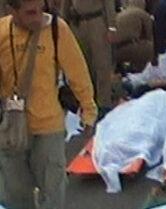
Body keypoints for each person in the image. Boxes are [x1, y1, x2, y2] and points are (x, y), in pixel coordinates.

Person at [0, 0, 97, 208]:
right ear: (11, 11)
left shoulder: (56, 29)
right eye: (30, 13)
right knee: (15, 196)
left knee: (53, 192)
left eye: (40, 10)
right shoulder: (2, 32)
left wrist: (88, 111)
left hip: (48, 127)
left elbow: (78, 73)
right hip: (11, 130)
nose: (37, 17)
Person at [61, 0, 116, 112]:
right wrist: (63, 24)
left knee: (102, 64)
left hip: (97, 22)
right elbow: (65, 4)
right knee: (82, 65)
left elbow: (108, 3)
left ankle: (103, 103)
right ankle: (87, 103)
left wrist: (112, 26)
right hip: (78, 24)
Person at [113, 0, 153, 72]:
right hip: (119, 50)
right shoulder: (144, 15)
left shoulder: (120, 14)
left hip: (110, 49)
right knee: (149, 48)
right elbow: (150, 37)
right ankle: (138, 72)